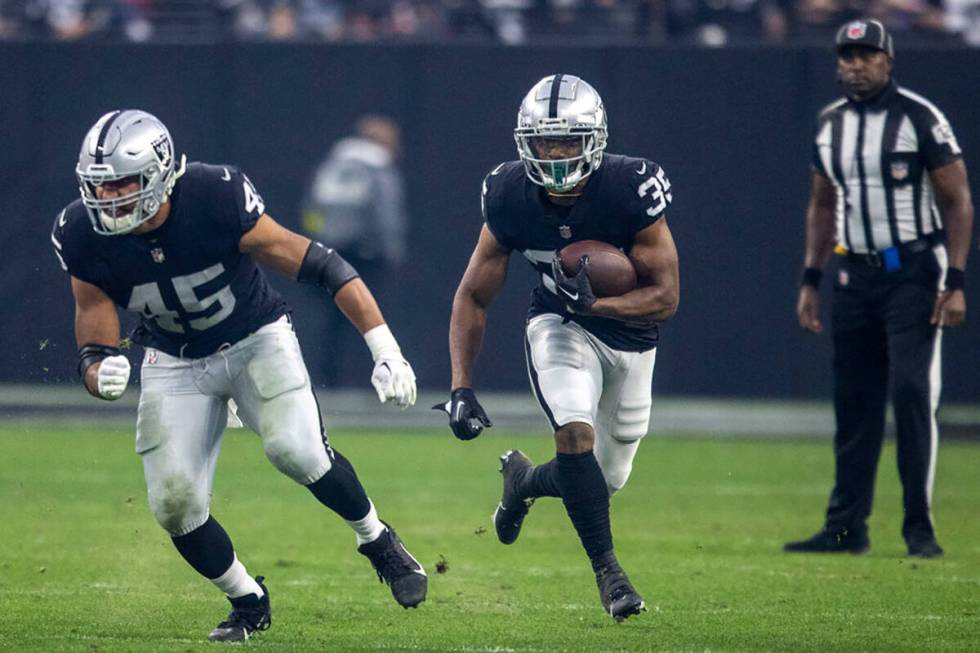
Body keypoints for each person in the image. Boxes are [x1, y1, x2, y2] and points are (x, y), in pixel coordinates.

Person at [50, 109, 427, 642]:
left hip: (255, 339)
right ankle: (247, 599)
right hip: (174, 359)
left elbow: (323, 264)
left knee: (296, 451)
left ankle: (377, 540)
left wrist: (384, 348)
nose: (109, 199)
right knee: (175, 505)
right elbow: (94, 328)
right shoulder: (81, 233)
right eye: (99, 187)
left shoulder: (213, 196)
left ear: (159, 172)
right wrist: (96, 367)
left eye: (123, 184)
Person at [438, 74, 680, 621]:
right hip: (560, 326)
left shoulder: (628, 187)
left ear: (594, 139)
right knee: (574, 432)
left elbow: (666, 298)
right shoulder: (508, 195)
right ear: (526, 141)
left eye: (568, 141)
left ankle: (523, 482)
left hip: (631, 336)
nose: (555, 153)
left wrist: (601, 306)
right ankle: (611, 576)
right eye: (545, 141)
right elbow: (473, 294)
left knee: (604, 478)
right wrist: (460, 385)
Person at [786, 19, 973, 558]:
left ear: (889, 61)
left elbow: (957, 200)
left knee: (913, 392)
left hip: (914, 269)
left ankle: (919, 527)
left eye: (867, 55)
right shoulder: (831, 124)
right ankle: (847, 527)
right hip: (853, 272)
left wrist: (955, 281)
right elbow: (822, 203)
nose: (856, 64)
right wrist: (810, 277)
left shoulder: (920, 117)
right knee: (854, 401)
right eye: (847, 56)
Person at [301, 114, 408, 387]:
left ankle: (327, 381)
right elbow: (385, 216)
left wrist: (319, 239)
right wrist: (390, 251)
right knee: (365, 319)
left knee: (330, 323)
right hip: (364, 254)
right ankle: (367, 381)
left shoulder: (332, 165)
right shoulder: (379, 169)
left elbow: (312, 211)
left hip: (325, 251)